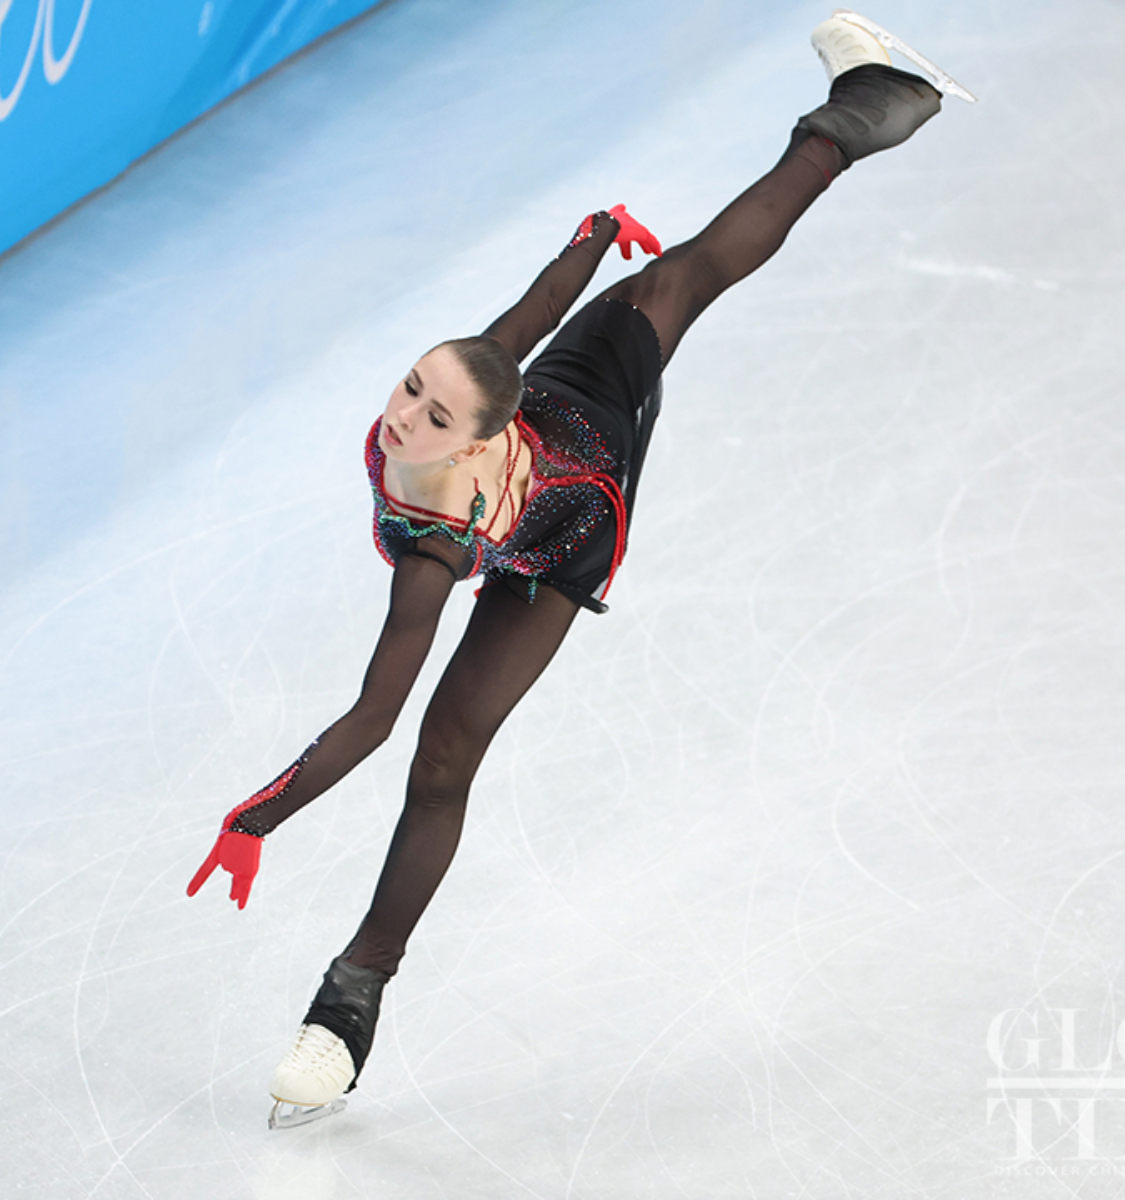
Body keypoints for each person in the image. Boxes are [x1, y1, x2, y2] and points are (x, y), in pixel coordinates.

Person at [188, 12, 955, 1127]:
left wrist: (256, 817)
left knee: (442, 753)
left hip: (575, 503)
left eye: (434, 415)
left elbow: (373, 717)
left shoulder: (434, 552)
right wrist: (593, 235)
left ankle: (859, 114)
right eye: (410, 388)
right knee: (666, 276)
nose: (404, 417)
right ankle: (352, 1018)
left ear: (475, 436)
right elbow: (523, 320)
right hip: (536, 440)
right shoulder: (452, 425)